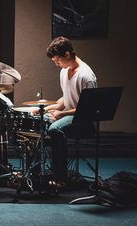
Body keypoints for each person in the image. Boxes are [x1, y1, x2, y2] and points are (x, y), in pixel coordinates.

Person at [33, 36, 98, 187]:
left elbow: (87, 109)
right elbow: (67, 98)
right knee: (37, 122)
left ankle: (60, 177)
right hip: (69, 115)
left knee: (55, 129)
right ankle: (35, 172)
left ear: (67, 55)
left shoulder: (86, 76)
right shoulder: (65, 70)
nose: (56, 64)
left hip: (83, 120)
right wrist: (46, 108)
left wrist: (61, 114)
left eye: (57, 61)